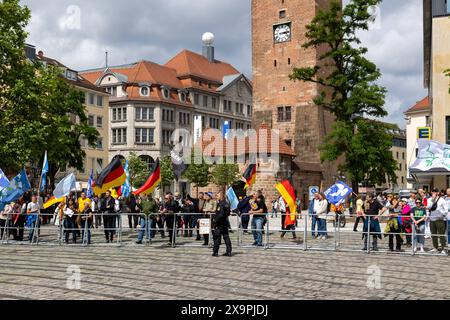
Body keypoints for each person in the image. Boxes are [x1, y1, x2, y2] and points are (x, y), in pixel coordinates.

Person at [427, 188, 448, 254]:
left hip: (439, 219)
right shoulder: (429, 199)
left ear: (438, 193)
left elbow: (446, 210)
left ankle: (443, 248)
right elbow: (428, 207)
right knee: (433, 234)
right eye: (433, 191)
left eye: (435, 191)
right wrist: (433, 200)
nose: (434, 192)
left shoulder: (442, 200)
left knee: (441, 234)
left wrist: (441, 214)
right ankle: (435, 247)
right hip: (432, 219)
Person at [212, 191, 232, 257]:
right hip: (225, 223)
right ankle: (229, 251)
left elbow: (221, 214)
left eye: (217, 196)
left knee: (217, 237)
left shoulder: (220, 204)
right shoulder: (226, 203)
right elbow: (228, 213)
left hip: (220, 223)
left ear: (221, 196)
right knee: (226, 237)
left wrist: (215, 221)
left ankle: (215, 252)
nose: (216, 197)